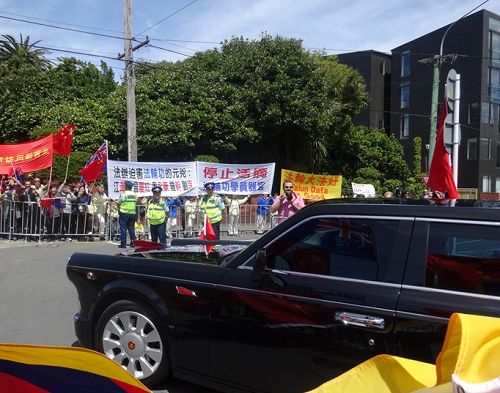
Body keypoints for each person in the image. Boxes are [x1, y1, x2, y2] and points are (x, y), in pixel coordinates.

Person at [117, 180, 137, 248]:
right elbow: (136, 202)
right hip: (132, 213)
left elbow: (119, 203)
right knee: (131, 228)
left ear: (125, 186)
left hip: (124, 213)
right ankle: (133, 243)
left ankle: (123, 244)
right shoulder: (134, 194)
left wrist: (119, 209)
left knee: (123, 229)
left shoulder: (123, 194)